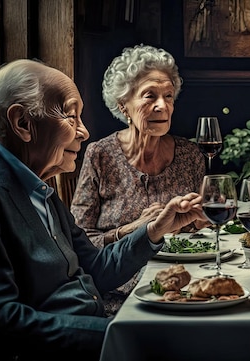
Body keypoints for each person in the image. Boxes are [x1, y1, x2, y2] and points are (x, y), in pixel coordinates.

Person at [0, 59, 206, 360]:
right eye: (71, 116)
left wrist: (156, 229)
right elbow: (1, 320)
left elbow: (95, 268)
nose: (84, 132)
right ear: (23, 123)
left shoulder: (37, 186)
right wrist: (113, 334)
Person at [70, 44, 206, 315]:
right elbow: (79, 242)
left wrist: (202, 220)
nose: (162, 105)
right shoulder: (101, 154)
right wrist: (134, 228)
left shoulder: (190, 154)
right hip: (120, 293)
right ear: (124, 105)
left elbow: (204, 230)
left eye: (168, 96)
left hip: (183, 287)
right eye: (149, 96)